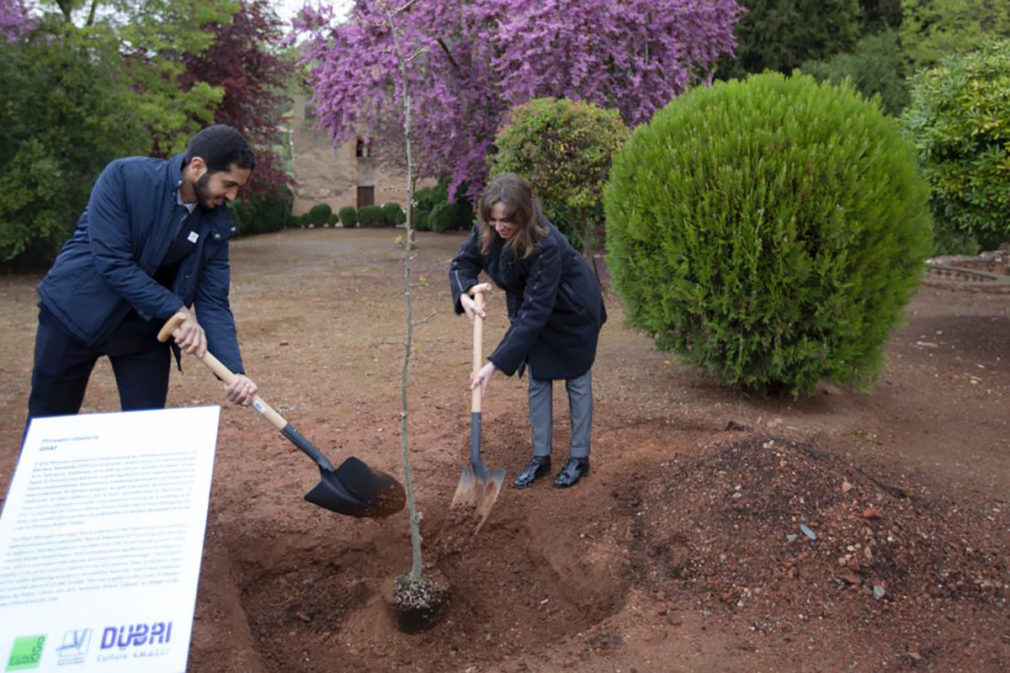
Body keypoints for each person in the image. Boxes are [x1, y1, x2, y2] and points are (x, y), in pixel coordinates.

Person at [26, 124, 259, 426]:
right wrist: (176, 311)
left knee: (146, 431)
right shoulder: (125, 178)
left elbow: (213, 301)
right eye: (228, 184)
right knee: (47, 429)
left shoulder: (214, 223)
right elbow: (112, 261)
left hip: (145, 329)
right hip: (75, 314)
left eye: (238, 187)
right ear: (198, 166)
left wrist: (233, 372)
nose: (232, 195)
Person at [449, 172, 607, 489]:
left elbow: (536, 311)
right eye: (493, 220)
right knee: (539, 378)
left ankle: (579, 458)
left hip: (573, 311)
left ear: (524, 214)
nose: (500, 227)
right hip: (535, 308)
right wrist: (464, 294)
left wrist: (493, 363)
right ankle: (541, 458)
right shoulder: (487, 232)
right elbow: (461, 264)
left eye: (507, 220)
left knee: (576, 379)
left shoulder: (545, 242)